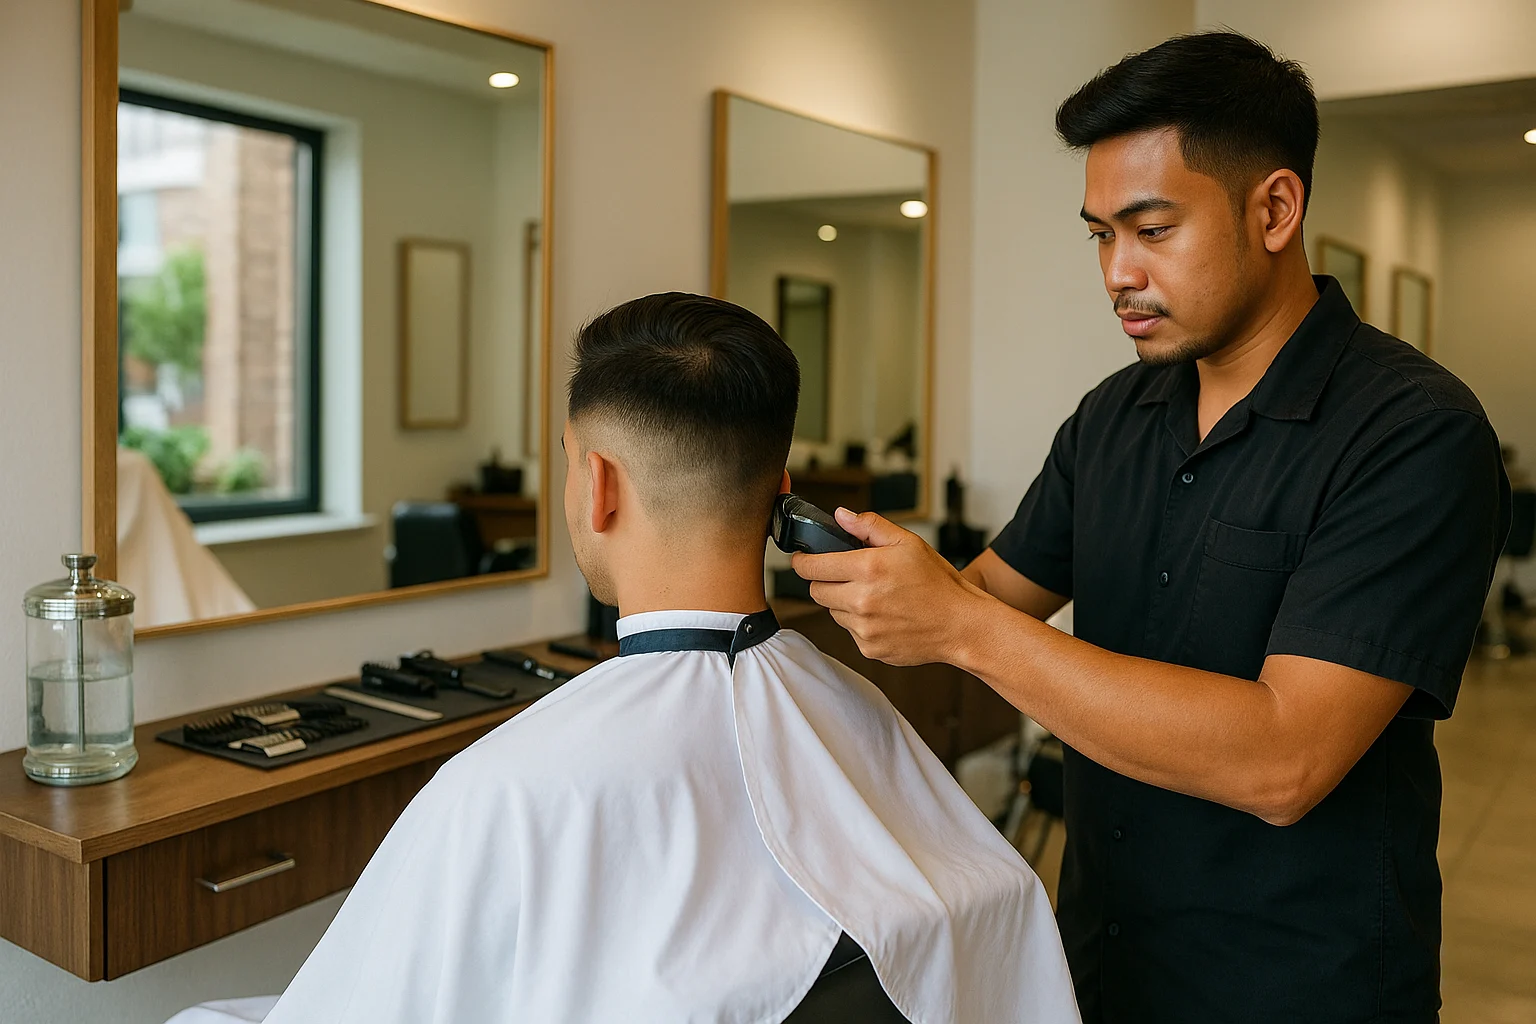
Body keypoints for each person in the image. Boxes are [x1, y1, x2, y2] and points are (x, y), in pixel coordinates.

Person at [793, 33, 1512, 1024]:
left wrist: (961, 626)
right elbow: (981, 599)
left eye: (1152, 229)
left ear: (1274, 208)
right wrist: (803, 558)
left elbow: (1284, 759)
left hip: (1299, 987)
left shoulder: (1412, 434)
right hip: (1104, 957)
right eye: (1100, 234)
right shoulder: (1112, 418)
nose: (1116, 273)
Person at [171, 293, 1079, 1024]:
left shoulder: (501, 788)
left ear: (597, 485)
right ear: (783, 495)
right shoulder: (854, 709)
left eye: (572, 464)